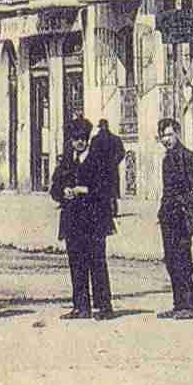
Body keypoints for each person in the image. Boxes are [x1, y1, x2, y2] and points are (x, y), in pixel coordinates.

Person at [50, 117, 117, 320]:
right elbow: (54, 189)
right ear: (71, 140)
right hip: (72, 220)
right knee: (76, 263)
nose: (79, 142)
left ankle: (104, 307)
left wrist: (85, 190)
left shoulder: (99, 160)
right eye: (75, 138)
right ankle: (80, 306)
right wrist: (64, 191)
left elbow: (107, 189)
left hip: (95, 220)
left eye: (83, 138)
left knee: (97, 263)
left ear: (88, 139)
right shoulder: (66, 162)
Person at [156, 118, 193, 319]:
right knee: (171, 260)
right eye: (163, 136)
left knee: (183, 260)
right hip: (168, 216)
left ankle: (192, 306)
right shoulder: (167, 159)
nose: (166, 139)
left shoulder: (189, 157)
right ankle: (179, 304)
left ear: (177, 133)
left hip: (183, 217)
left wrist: (183, 201)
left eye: (169, 135)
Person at [91, 119, 126, 216]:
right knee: (109, 191)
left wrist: (113, 162)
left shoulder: (96, 140)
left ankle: (111, 210)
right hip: (108, 170)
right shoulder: (114, 139)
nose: (103, 129)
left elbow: (121, 153)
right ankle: (109, 210)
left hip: (105, 170)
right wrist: (114, 162)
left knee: (108, 191)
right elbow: (121, 153)